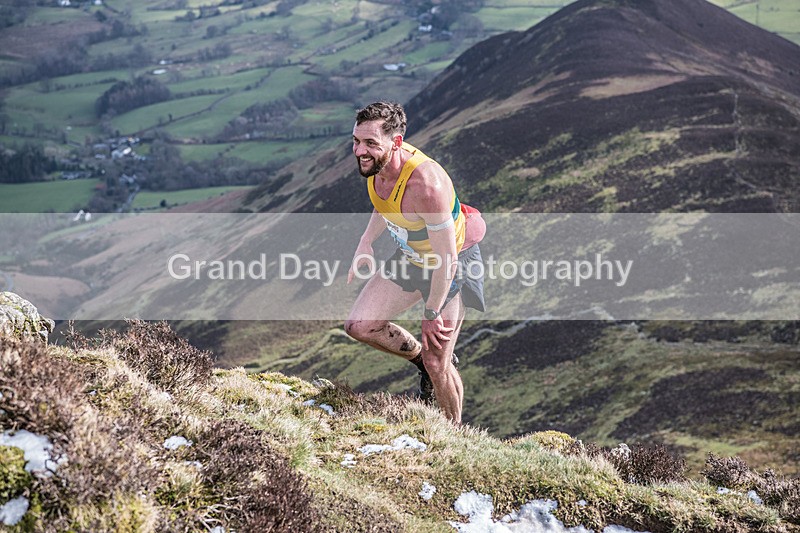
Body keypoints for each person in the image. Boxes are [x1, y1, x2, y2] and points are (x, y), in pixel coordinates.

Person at [344, 101, 485, 424]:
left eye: (369, 144)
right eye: (356, 141)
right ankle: (421, 359)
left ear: (395, 143)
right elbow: (385, 204)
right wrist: (366, 242)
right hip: (413, 257)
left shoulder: (427, 185)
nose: (359, 151)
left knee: (440, 363)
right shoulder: (377, 166)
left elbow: (447, 259)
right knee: (359, 326)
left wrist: (432, 311)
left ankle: (455, 437)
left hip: (451, 265)